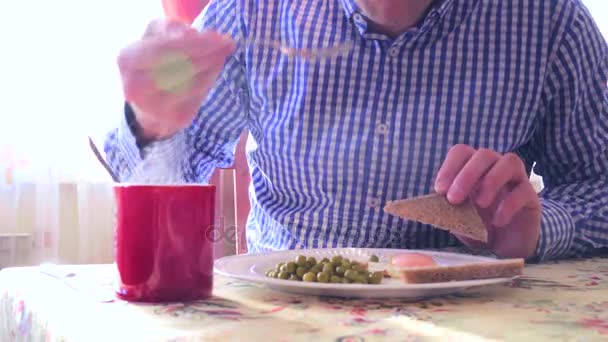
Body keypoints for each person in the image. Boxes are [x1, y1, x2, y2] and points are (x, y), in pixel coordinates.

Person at [105, 0, 608, 261]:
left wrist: (537, 229)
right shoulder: (251, 12)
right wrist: (148, 125)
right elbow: (142, 171)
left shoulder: (549, 23)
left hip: (474, 311)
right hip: (284, 308)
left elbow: (599, 188)